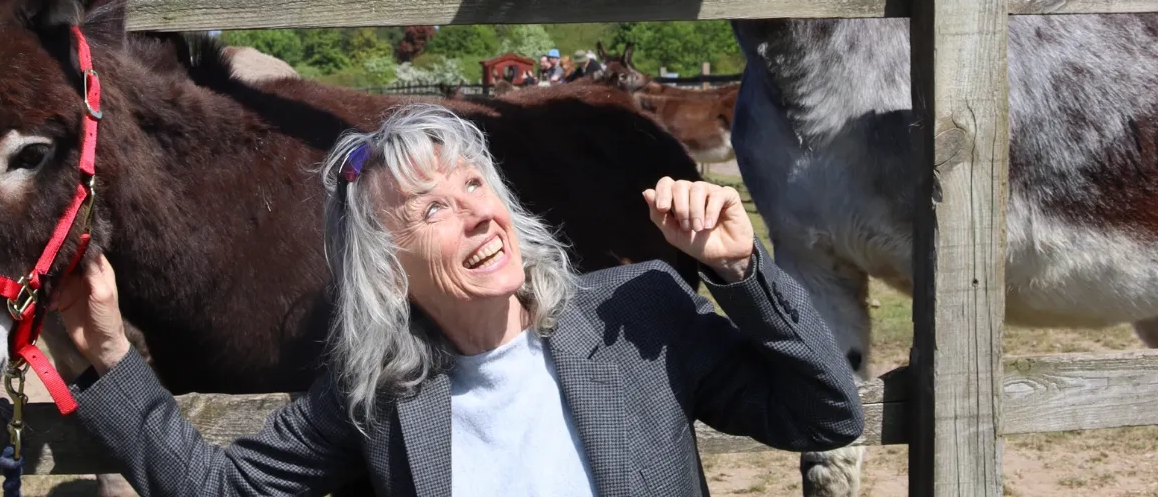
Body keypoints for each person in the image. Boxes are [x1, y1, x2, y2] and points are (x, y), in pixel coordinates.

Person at [55, 103, 862, 497]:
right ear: (386, 265)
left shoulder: (637, 313)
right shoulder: (374, 397)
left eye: (476, 184)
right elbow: (222, 493)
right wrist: (111, 359)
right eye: (433, 208)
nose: (477, 209)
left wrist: (740, 271)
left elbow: (824, 416)